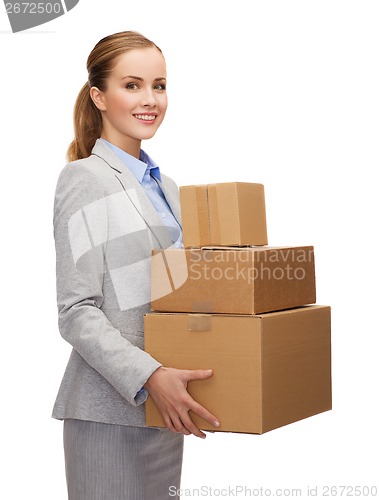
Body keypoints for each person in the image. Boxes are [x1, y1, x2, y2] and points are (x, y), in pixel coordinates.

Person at [51, 30, 220, 500]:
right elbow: (77, 310)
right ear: (98, 96)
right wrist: (149, 375)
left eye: (159, 86)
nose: (150, 100)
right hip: (112, 411)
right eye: (132, 85)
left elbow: (174, 294)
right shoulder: (84, 179)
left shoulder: (165, 184)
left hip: (166, 412)